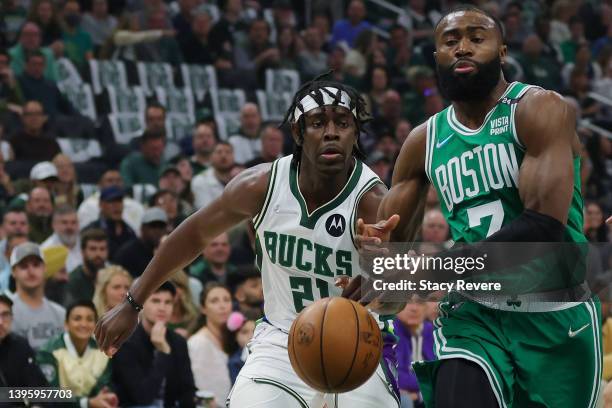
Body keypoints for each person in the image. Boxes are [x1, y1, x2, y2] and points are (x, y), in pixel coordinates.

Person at [95, 75, 400, 407]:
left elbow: (399, 296)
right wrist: (132, 302)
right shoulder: (261, 185)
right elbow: (193, 234)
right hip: (283, 340)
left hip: (359, 341)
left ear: (355, 133)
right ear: (298, 133)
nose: (331, 132)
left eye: (343, 123)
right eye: (317, 123)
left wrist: (380, 277)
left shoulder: (373, 200)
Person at [354, 6, 601, 408]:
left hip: (555, 312)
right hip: (473, 314)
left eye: (476, 37)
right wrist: (376, 266)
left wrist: (433, 268)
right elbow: (393, 276)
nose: (463, 48)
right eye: (450, 42)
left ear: (502, 51)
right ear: (436, 56)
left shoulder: (538, 109)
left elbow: (541, 229)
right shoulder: (423, 142)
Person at [111, 282, 196, 407]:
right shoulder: (125, 342)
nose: (162, 307)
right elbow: (142, 397)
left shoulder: (178, 342)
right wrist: (163, 352)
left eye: (168, 302)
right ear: (142, 304)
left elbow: (187, 391)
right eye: (156, 301)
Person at [36, 300, 118, 408]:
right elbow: (49, 395)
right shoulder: (48, 352)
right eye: (77, 319)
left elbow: (103, 387)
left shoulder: (102, 351)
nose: (83, 324)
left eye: (89, 319)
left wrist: (106, 397)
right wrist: (86, 403)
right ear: (66, 324)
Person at [188, 282, 236, 406]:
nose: (222, 306)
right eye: (214, 301)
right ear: (203, 308)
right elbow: (199, 390)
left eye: (227, 300)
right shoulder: (198, 342)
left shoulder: (234, 337)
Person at [10, 242, 65, 350]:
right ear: (13, 271)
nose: (31, 271)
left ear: (44, 268)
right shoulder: (4, 311)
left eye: (36, 265)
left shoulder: (60, 313)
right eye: (24, 266)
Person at [0, 293, 48, 388]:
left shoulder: (20, 346)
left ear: (12, 317)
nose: (0, 322)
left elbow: (40, 387)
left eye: (5, 315)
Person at [394, 299, 435, 408]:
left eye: (420, 303)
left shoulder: (430, 331)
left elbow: (438, 373)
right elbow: (397, 377)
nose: (414, 308)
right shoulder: (392, 331)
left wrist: (418, 394)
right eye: (408, 302)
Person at [83, 186, 137, 259]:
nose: (117, 206)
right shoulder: (91, 230)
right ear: (101, 204)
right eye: (111, 202)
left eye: (119, 201)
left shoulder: (129, 231)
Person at [113, 207, 168, 278]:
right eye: (153, 226)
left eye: (161, 227)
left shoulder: (167, 250)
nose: (157, 231)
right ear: (142, 228)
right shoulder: (127, 253)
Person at [65, 228, 108, 305]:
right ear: (83, 252)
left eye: (102, 249)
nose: (98, 254)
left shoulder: (112, 277)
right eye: (93, 249)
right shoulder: (72, 281)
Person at [41, 204, 82, 273]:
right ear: (54, 225)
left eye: (73, 223)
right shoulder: (45, 250)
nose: (69, 227)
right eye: (64, 223)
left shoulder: (86, 245)